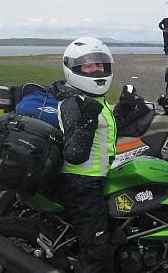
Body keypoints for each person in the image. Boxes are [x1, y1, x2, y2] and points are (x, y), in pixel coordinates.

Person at [48, 37, 117, 273]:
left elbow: (104, 132)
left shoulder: (92, 99)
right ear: (74, 69)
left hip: (93, 179)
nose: (96, 69)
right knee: (96, 253)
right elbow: (75, 153)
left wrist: (128, 108)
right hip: (81, 185)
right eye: (88, 65)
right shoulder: (72, 102)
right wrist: (87, 121)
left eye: (100, 65)